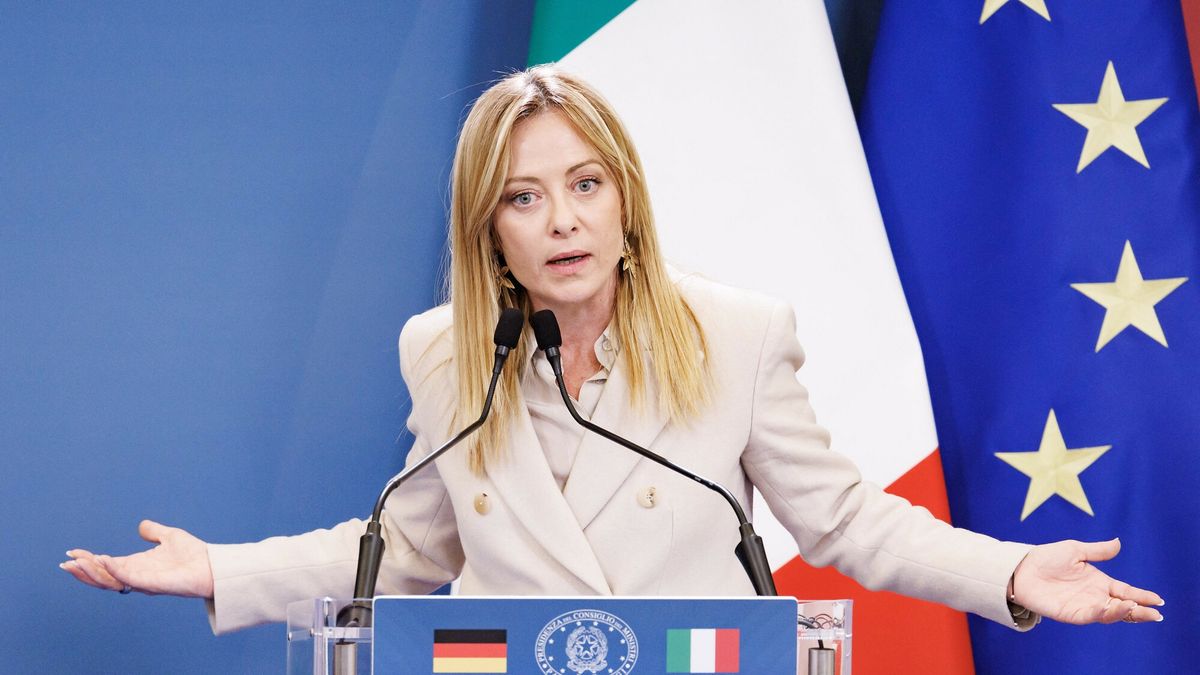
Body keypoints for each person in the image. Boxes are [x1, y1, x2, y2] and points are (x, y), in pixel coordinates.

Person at [61, 66, 1164, 634]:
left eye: (585, 185)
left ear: (625, 202)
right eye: (524, 197)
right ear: (489, 229)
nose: (563, 221)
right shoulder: (445, 353)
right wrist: (222, 570)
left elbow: (843, 521)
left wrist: (1011, 571)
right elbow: (405, 551)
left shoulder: (734, 335)